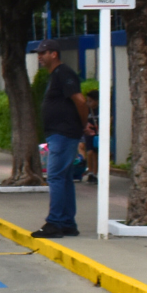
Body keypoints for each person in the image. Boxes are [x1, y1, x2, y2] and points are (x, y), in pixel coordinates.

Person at [34, 41, 92, 238]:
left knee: (55, 176)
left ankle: (55, 223)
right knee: (65, 178)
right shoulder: (56, 75)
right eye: (38, 53)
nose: (39, 57)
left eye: (43, 53)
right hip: (61, 133)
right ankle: (67, 222)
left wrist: (83, 124)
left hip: (63, 133)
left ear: (54, 54)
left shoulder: (64, 73)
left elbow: (80, 101)